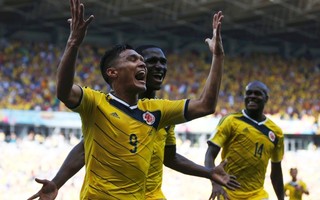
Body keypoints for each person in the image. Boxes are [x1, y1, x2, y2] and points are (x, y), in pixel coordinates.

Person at [30, 0, 239, 199]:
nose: (146, 66)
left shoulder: (158, 112)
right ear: (112, 72)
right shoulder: (96, 104)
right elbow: (65, 93)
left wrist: (218, 57)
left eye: (143, 61)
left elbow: (205, 106)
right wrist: (74, 43)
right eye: (135, 59)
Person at [205, 80, 285, 200]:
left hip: (257, 195)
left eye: (257, 93)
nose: (252, 96)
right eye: (249, 93)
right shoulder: (230, 121)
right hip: (228, 194)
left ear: (266, 99)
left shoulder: (276, 132)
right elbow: (209, 155)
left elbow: (276, 172)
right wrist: (215, 183)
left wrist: (281, 198)